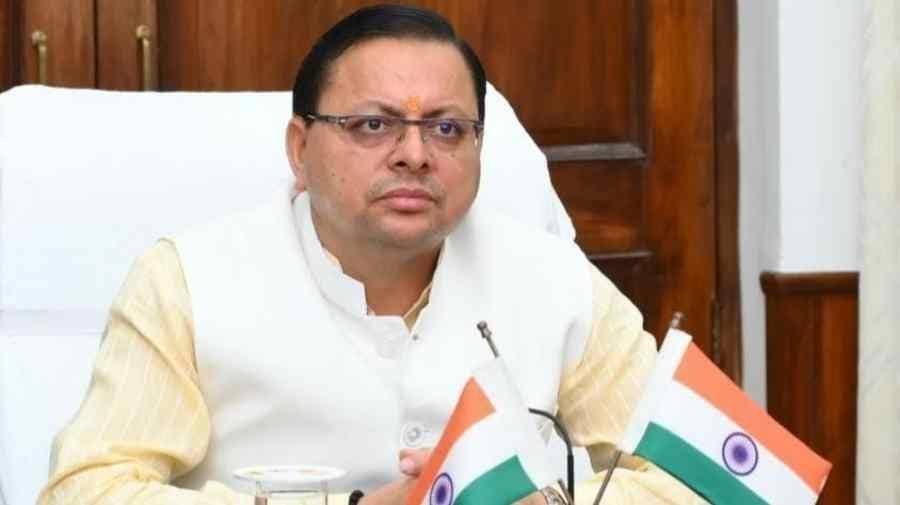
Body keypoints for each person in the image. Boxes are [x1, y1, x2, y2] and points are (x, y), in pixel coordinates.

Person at [40, 5, 703, 505]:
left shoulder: (556, 280)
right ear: (300, 149)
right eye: (373, 125)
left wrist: (542, 501)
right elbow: (85, 490)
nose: (414, 154)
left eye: (447, 128)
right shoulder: (186, 280)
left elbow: (700, 476)